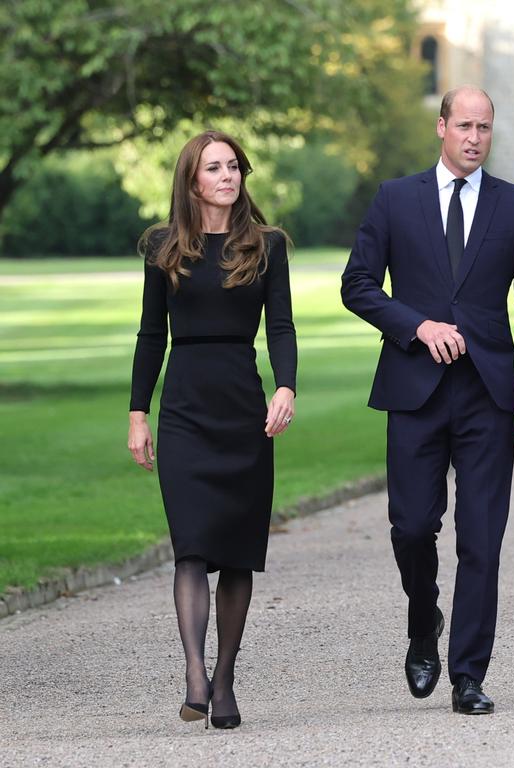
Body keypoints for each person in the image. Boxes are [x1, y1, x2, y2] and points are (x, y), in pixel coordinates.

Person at [341, 86, 514, 715]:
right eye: (463, 125)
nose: (474, 138)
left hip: (486, 393)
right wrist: (416, 326)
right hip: (415, 389)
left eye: (484, 127)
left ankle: (468, 675)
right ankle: (422, 617)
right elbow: (357, 285)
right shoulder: (395, 199)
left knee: (482, 540)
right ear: (440, 127)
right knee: (411, 527)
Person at [127, 130, 297, 728]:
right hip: (184, 410)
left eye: (233, 167)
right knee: (192, 546)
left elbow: (282, 326)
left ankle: (223, 682)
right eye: (214, 168)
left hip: (242, 409)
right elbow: (151, 334)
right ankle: (196, 679)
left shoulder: (267, 246)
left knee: (238, 554)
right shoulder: (162, 247)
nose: (227, 176)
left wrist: (285, 386)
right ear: (192, 180)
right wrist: (137, 413)